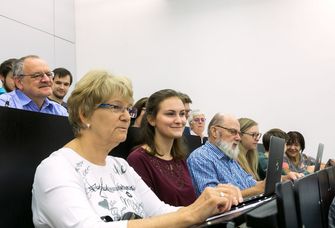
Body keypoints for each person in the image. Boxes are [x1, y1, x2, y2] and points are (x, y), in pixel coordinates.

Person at [32, 70, 242, 228]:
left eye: (128, 109)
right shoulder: (56, 167)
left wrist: (209, 205)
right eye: (116, 107)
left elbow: (159, 211)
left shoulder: (120, 165)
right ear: (85, 114)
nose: (126, 116)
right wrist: (189, 214)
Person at [127, 90, 197, 206]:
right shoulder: (138, 160)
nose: (179, 120)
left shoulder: (179, 158)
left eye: (182, 114)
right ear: (151, 119)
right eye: (170, 114)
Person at [187, 113, 264, 197]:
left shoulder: (229, 157)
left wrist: (269, 183)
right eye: (233, 132)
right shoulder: (200, 158)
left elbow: (251, 183)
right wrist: (258, 190)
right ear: (214, 132)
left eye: (238, 133)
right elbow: (215, 199)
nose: (238, 138)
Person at [0, 55, 67, 116]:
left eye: (49, 74)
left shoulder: (60, 111)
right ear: (19, 82)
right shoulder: (3, 104)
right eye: (37, 75)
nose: (46, 80)